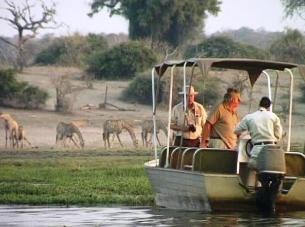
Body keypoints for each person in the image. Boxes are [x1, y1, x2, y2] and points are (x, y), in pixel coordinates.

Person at [234, 96, 283, 169]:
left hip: (256, 150)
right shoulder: (274, 117)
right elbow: (278, 135)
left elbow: (236, 130)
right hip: (271, 151)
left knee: (252, 167)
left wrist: (249, 130)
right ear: (269, 107)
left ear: (259, 104)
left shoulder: (249, 117)